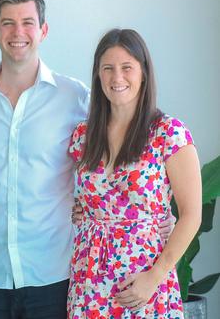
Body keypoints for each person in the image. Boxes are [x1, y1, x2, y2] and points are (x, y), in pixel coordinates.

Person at [0, 0, 90, 318]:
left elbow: (111, 161)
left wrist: (159, 214)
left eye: (28, 22)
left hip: (54, 271)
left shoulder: (75, 97)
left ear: (43, 30)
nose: (19, 32)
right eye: (8, 23)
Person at [66, 28, 201, 318]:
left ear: (143, 73)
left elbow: (192, 214)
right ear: (98, 75)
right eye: (108, 68)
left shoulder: (169, 133)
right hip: (88, 282)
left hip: (143, 284)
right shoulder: (82, 136)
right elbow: (73, 199)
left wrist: (155, 276)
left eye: (127, 67)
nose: (117, 78)